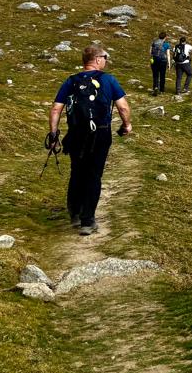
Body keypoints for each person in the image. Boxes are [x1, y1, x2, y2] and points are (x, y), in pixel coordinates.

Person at [48, 45, 131, 236]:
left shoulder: (71, 81)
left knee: (77, 171)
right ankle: (87, 221)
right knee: (94, 174)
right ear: (98, 59)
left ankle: (74, 213)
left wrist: (54, 135)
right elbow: (123, 107)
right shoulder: (108, 80)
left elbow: (55, 109)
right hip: (100, 133)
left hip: (75, 134)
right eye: (105, 57)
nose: (106, 60)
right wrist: (126, 125)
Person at [149, 31, 170, 96]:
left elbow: (150, 52)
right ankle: (162, 90)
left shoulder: (154, 42)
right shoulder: (166, 44)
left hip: (154, 60)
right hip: (163, 61)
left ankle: (155, 87)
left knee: (155, 75)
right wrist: (169, 63)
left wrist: (152, 58)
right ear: (165, 37)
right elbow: (168, 54)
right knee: (162, 75)